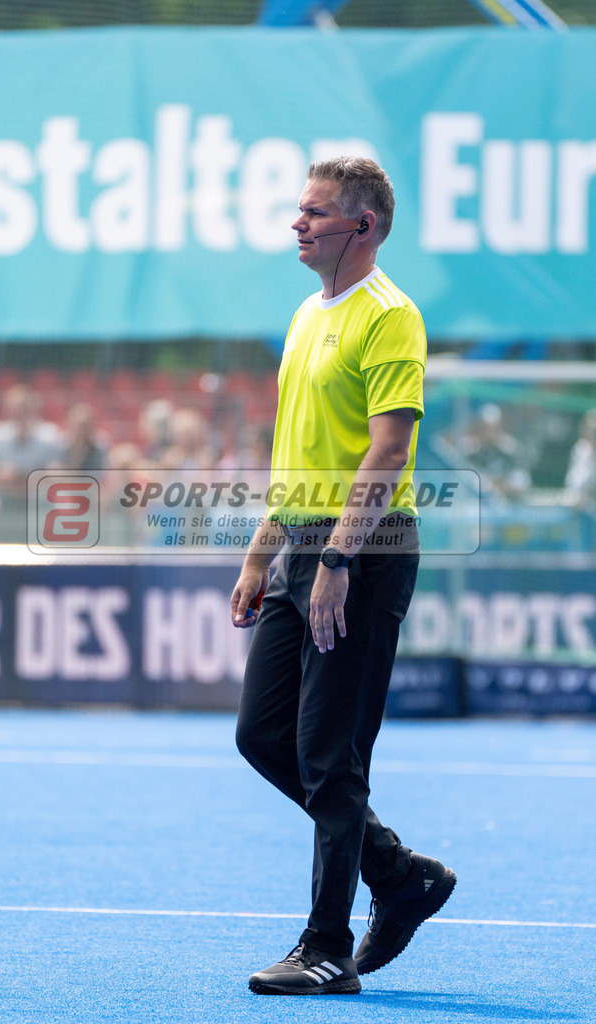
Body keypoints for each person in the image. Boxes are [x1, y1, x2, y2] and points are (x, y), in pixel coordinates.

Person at [231, 157, 456, 996]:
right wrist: (264, 552)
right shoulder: (304, 312)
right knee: (262, 736)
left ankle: (326, 947)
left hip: (362, 548)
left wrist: (336, 558)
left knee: (329, 754)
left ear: (360, 227)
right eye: (298, 210)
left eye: (314, 213)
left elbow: (387, 451)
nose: (297, 224)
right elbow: (296, 452)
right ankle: (399, 876)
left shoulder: (390, 317)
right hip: (302, 547)